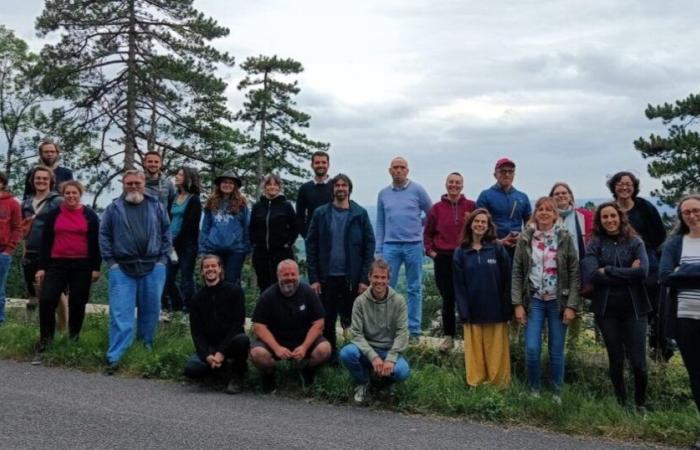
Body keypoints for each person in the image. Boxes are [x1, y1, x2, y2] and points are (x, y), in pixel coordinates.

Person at [99, 169, 171, 374]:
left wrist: (162, 260)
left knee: (150, 311)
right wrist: (111, 262)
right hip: (121, 267)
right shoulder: (113, 208)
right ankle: (116, 357)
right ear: (123, 184)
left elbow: (167, 232)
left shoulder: (156, 205)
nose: (133, 187)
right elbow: (104, 235)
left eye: (137, 183)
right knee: (121, 313)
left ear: (143, 184)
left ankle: (144, 350)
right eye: (129, 183)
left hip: (153, 266)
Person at [582, 202, 650, 411]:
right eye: (605, 217)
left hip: (634, 308)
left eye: (613, 216)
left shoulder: (635, 241)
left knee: (638, 361)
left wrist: (608, 270)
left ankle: (640, 403)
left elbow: (643, 272)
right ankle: (622, 403)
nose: (610, 220)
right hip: (606, 309)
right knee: (616, 359)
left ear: (620, 217)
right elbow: (592, 274)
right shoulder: (594, 243)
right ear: (599, 221)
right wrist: (626, 273)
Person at [511, 197, 580, 398]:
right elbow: (517, 272)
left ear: (554, 214)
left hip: (558, 301)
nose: (544, 213)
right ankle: (534, 390)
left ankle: (557, 393)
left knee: (556, 350)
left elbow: (574, 273)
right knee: (532, 348)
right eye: (540, 209)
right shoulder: (526, 238)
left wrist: (571, 305)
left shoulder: (564, 238)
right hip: (534, 300)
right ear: (535, 213)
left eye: (548, 210)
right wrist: (517, 304)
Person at [306, 174, 375, 359]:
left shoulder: (360, 214)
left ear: (349, 189)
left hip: (351, 277)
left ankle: (354, 356)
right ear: (332, 189)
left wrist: (363, 279)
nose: (341, 188)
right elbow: (311, 245)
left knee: (353, 319)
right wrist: (313, 278)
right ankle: (331, 356)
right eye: (337, 185)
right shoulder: (321, 213)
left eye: (344, 185)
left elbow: (369, 245)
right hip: (326, 276)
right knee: (327, 319)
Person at [34, 181, 101, 356]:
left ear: (80, 194)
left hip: (82, 265)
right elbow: (46, 241)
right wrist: (41, 267)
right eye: (67, 193)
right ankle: (46, 341)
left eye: (74, 193)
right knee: (47, 300)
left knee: (77, 302)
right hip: (57, 264)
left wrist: (96, 267)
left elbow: (96, 243)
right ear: (63, 195)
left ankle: (73, 339)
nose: (71, 196)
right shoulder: (54, 214)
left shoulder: (90, 215)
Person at [607, 171, 669, 360]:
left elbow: (659, 235)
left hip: (648, 260)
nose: (624, 187)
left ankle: (658, 348)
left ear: (634, 187)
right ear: (613, 187)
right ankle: (628, 351)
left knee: (652, 304)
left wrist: (643, 255)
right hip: (618, 261)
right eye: (620, 183)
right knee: (627, 304)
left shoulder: (644, 207)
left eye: (629, 184)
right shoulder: (610, 209)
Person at [249, 259, 331, 392]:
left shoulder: (309, 293)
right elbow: (258, 326)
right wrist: (276, 348)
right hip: (275, 341)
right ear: (278, 276)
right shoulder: (267, 296)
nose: (290, 278)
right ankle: (269, 375)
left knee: (324, 349)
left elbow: (319, 323)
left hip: (303, 341)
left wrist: (304, 347)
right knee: (257, 353)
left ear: (298, 275)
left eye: (293, 274)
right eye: (285, 275)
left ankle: (307, 371)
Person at [453, 208, 512, 389]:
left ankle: (499, 384)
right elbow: (459, 286)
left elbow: (507, 280)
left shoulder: (497, 249)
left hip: (496, 309)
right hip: (472, 310)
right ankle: (476, 383)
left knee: (496, 351)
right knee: (475, 352)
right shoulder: (461, 252)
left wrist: (507, 307)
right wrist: (463, 310)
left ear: (488, 227)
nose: (479, 225)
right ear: (470, 224)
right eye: (476, 221)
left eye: (483, 222)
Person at [375, 156, 432, 342]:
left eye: (402, 167)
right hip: (390, 246)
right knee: (385, 287)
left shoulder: (418, 190)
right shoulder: (383, 194)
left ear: (407, 170)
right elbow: (381, 223)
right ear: (389, 171)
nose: (398, 171)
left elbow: (431, 214)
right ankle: (387, 328)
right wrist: (379, 249)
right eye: (395, 167)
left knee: (414, 287)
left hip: (414, 245)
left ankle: (414, 330)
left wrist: (419, 226)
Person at [659, 194, 700, 449]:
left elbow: (675, 275)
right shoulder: (676, 243)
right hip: (685, 318)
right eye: (687, 212)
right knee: (696, 376)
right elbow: (665, 276)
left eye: (696, 210)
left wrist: (682, 272)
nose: (693, 216)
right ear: (681, 216)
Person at [339, 259, 410, 403]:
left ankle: (386, 384)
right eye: (376, 277)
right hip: (367, 349)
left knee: (402, 371)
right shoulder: (360, 302)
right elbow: (356, 334)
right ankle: (364, 382)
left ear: (389, 279)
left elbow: (402, 333)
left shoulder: (399, 301)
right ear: (370, 277)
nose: (379, 281)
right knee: (346, 353)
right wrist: (373, 357)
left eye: (383, 277)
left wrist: (390, 359)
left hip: (388, 350)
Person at [424, 172, 476, 352]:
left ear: (462, 186)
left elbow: (480, 228)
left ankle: (471, 336)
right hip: (443, 257)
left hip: (465, 256)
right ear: (446, 185)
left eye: (457, 183)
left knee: (468, 296)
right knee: (448, 298)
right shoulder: (437, 208)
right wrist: (431, 252)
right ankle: (449, 337)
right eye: (451, 182)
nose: (454, 185)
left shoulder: (471, 206)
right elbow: (428, 233)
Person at [184, 254, 250, 395]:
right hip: (210, 347)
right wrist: (207, 355)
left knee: (242, 340)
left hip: (230, 344)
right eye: (206, 267)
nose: (210, 269)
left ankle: (237, 376)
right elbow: (196, 333)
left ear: (220, 269)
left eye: (214, 266)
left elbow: (237, 325)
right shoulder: (196, 299)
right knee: (191, 369)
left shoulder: (235, 292)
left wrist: (221, 352)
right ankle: (220, 369)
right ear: (202, 271)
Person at [21, 166, 63, 309]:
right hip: (31, 252)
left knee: (56, 291)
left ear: (51, 181)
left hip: (51, 253)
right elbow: (23, 229)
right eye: (38, 178)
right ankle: (45, 327)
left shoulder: (57, 201)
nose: (41, 181)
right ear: (32, 181)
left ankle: (63, 328)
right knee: (37, 292)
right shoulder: (26, 202)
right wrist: (23, 250)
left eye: (45, 178)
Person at [199, 171, 250, 286]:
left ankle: (235, 304)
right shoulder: (211, 202)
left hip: (236, 250)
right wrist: (202, 248)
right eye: (224, 182)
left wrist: (247, 248)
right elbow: (205, 227)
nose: (227, 185)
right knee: (214, 281)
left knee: (231, 282)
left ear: (235, 186)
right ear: (219, 184)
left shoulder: (242, 203)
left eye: (230, 183)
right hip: (213, 248)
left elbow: (247, 226)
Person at [249, 174, 298, 293]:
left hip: (281, 253)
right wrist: (255, 243)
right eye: (269, 184)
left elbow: (295, 227)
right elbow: (252, 227)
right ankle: (266, 311)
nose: (272, 187)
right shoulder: (257, 206)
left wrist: (288, 243)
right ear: (264, 187)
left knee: (282, 285)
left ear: (279, 187)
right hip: (261, 254)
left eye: (275, 184)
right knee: (264, 286)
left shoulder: (286, 206)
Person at [163, 166, 201, 313]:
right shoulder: (173, 198)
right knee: (167, 278)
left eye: (180, 175)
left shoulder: (194, 200)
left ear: (188, 179)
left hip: (187, 246)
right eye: (177, 174)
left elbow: (190, 227)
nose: (176, 177)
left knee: (186, 278)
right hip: (170, 244)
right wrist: (168, 241)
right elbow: (168, 219)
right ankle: (178, 305)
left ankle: (190, 309)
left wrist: (175, 243)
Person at [476, 158, 532, 257]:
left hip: (517, 248)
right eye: (503, 171)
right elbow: (479, 224)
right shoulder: (485, 195)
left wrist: (522, 236)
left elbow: (529, 222)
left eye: (510, 171)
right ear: (495, 175)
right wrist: (498, 242)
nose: (507, 174)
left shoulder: (522, 197)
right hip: (492, 248)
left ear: (514, 174)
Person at [549, 182, 594, 261]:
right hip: (552, 266)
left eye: (564, 193)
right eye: (556, 194)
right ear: (551, 198)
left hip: (580, 264)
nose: (560, 195)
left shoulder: (585, 216)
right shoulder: (546, 217)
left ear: (570, 196)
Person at [0, 172, 22, 325]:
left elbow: (17, 228)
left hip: (2, 251)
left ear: (2, 183)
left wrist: (9, 250)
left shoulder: (12, 203)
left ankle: (0, 321)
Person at [296, 150, 333, 239]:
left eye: (324, 162)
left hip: (333, 237)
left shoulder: (335, 186)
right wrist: (306, 235)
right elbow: (299, 216)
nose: (320, 165)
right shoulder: (304, 189)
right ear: (312, 165)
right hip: (312, 238)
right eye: (317, 162)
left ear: (328, 165)